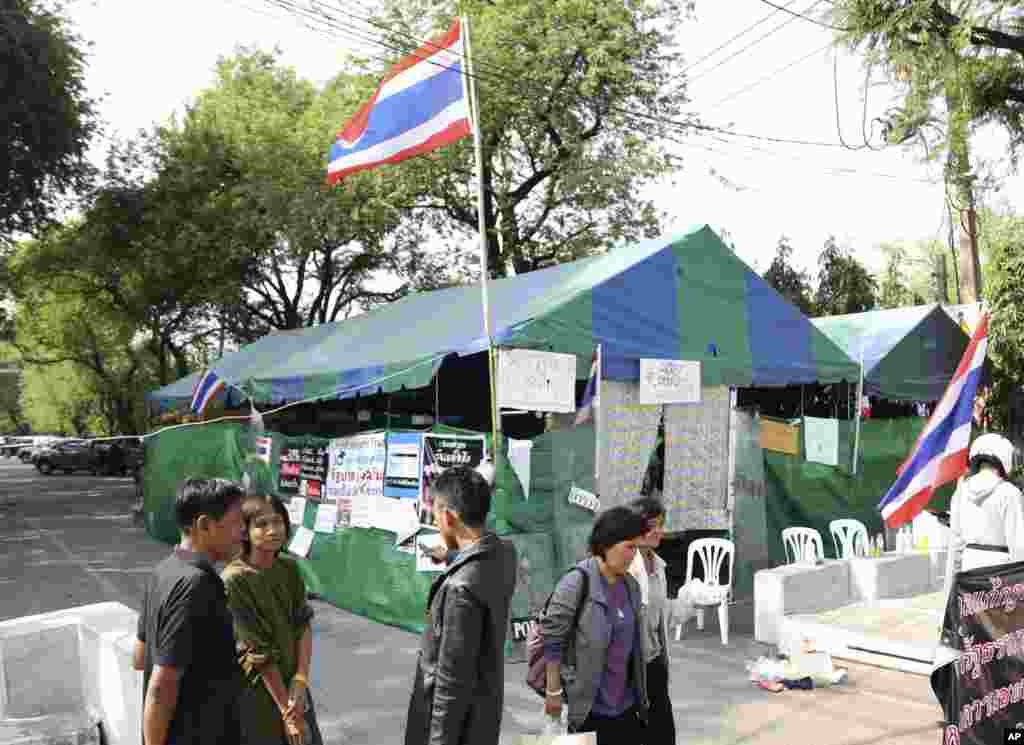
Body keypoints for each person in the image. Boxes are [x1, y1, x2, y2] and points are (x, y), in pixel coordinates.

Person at [404, 466, 517, 745]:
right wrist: (453, 555)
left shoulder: (459, 589)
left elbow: (451, 682)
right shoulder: (504, 555)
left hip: (454, 730)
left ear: (449, 516)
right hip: (485, 718)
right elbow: (478, 555)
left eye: (435, 515)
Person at [133, 478, 245, 745]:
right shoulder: (197, 585)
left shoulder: (163, 571)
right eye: (236, 522)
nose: (243, 530)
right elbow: (161, 687)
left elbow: (139, 657)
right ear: (204, 525)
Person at [540, 506, 649, 744]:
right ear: (607, 543)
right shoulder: (576, 582)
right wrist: (553, 691)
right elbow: (552, 639)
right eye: (629, 547)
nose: (633, 555)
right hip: (588, 710)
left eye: (637, 548)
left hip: (627, 707)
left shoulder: (631, 587)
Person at [222, 494, 323, 745]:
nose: (273, 530)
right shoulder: (234, 580)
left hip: (294, 687)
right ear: (244, 532)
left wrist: (300, 681)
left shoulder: (288, 568)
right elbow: (259, 652)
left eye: (278, 522)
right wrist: (288, 713)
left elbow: (303, 624)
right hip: (261, 692)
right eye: (261, 524)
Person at [627, 497, 676, 745]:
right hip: (631, 668)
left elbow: (660, 616)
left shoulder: (658, 565)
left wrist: (688, 603)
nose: (659, 531)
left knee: (664, 732)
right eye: (652, 525)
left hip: (655, 662)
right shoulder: (627, 567)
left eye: (660, 524)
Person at [948, 433, 1024, 572]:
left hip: (969, 565)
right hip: (1000, 568)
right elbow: (1017, 543)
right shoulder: (1009, 492)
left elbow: (955, 540)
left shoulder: (961, 491)